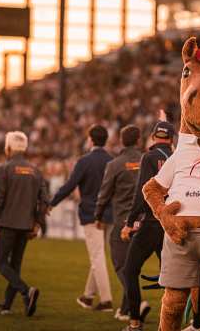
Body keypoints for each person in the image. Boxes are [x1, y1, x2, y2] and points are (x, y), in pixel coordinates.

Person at [0, 131, 48, 316]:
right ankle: (7, 305)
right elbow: (44, 200)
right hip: (26, 225)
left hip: (8, 223)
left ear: (8, 148)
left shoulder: (2, 169)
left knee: (1, 264)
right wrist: (37, 224)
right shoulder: (36, 170)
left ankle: (26, 291)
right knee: (14, 265)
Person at [49, 124, 114, 311]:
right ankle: (87, 296)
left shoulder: (85, 161)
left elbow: (70, 185)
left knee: (97, 257)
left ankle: (106, 300)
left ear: (91, 139)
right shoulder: (111, 160)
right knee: (98, 255)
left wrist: (52, 203)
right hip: (108, 214)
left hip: (91, 214)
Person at [120, 121, 175, 331]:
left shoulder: (149, 157)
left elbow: (143, 192)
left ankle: (135, 322)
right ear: (171, 139)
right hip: (172, 223)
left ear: (153, 137)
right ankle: (191, 320)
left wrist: (129, 222)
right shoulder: (179, 157)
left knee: (130, 271)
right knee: (175, 277)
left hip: (152, 223)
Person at [95, 125, 142, 321]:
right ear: (138, 140)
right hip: (145, 222)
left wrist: (97, 216)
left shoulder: (115, 164)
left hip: (123, 222)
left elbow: (104, 193)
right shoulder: (145, 160)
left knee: (120, 265)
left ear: (122, 141)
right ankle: (125, 309)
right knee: (132, 266)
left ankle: (136, 304)